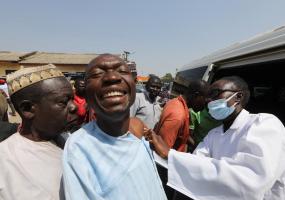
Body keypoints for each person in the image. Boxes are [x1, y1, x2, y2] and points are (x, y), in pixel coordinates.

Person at [146, 76, 285, 200]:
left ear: (238, 97)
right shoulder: (214, 134)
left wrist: (171, 156)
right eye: (207, 95)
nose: (208, 100)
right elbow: (196, 165)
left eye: (215, 94)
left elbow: (250, 183)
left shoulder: (264, 124)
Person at [62, 54, 167, 200]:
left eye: (122, 71)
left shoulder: (138, 131)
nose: (112, 77)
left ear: (134, 84)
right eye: (97, 73)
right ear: (86, 91)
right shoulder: (79, 147)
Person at [0, 64, 77, 200]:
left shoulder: (75, 144)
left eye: (72, 99)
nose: (74, 107)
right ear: (27, 109)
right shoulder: (5, 159)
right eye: (63, 102)